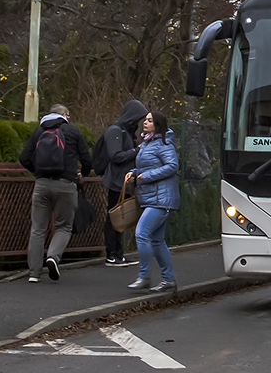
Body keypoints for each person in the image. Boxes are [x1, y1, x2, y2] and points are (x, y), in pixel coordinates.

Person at [19, 103, 93, 283]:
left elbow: (24, 158)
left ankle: (34, 274)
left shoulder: (39, 132)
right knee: (64, 226)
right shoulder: (73, 132)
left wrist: (38, 172)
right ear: (65, 115)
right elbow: (87, 160)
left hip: (41, 185)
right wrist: (80, 175)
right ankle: (53, 257)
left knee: (38, 228)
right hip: (66, 185)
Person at [129, 110, 180, 292]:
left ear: (158, 125)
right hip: (151, 197)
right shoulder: (147, 143)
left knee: (142, 233)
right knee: (157, 240)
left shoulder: (164, 143)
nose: (145, 122)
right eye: (145, 120)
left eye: (150, 120)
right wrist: (134, 173)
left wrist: (146, 176)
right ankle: (168, 280)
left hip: (161, 198)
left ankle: (144, 276)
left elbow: (172, 166)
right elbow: (147, 166)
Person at [100, 99, 146, 266]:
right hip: (116, 181)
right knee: (114, 216)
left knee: (121, 217)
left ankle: (118, 253)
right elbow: (116, 156)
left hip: (126, 180)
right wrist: (136, 151)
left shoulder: (127, 133)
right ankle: (111, 253)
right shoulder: (116, 131)